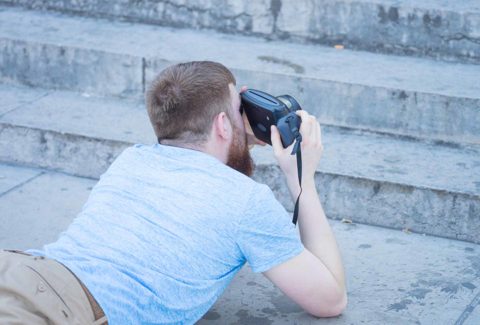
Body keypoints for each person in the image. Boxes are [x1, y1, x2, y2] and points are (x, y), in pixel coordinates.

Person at [0, 61, 347, 324]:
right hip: (60, 311)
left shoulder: (133, 158)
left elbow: (199, 173)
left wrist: (234, 144)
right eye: (238, 108)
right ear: (223, 125)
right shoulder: (245, 203)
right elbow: (330, 300)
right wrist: (303, 178)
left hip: (21, 268)